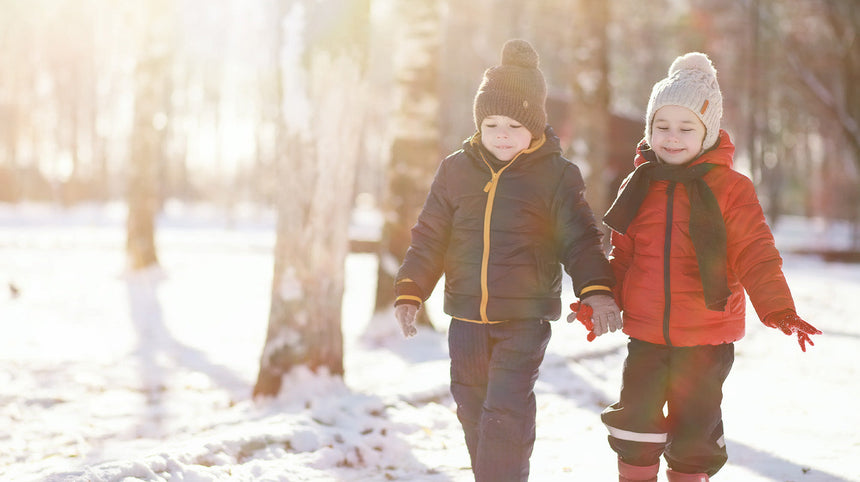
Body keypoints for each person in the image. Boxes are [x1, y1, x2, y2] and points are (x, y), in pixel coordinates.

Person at [392, 39, 622, 481]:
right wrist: (410, 290)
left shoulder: (556, 176)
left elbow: (580, 239)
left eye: (513, 124)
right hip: (466, 317)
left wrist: (597, 289)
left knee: (505, 412)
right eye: (491, 122)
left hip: (523, 317)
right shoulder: (456, 169)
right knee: (472, 407)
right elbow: (430, 237)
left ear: (534, 126)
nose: (500, 133)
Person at [597, 52, 822, 482]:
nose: (672, 138)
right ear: (649, 130)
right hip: (645, 333)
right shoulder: (638, 183)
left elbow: (756, 252)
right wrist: (601, 297)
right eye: (661, 127)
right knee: (635, 423)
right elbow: (623, 254)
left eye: (686, 128)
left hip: (705, 335)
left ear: (708, 132)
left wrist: (779, 308)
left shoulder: (731, 189)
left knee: (694, 434)